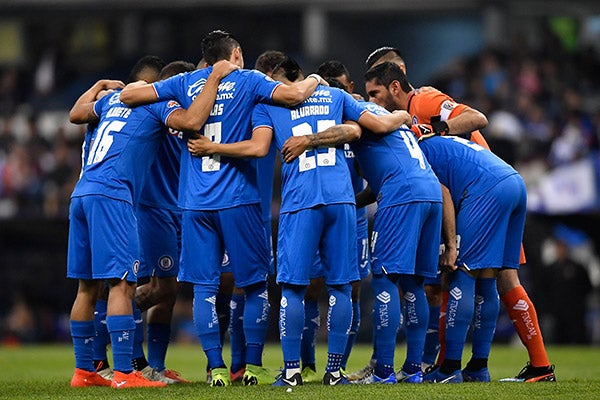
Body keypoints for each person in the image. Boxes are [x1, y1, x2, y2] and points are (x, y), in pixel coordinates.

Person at [119, 30, 327, 387]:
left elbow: (128, 94)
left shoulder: (185, 81)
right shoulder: (249, 81)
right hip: (238, 199)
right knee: (255, 285)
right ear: (236, 54)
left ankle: (215, 368)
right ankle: (251, 366)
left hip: (194, 202)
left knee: (204, 289)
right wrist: (315, 79)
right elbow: (293, 95)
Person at [186, 56, 411, 387]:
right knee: (340, 286)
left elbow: (260, 148)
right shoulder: (335, 96)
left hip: (300, 200)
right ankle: (334, 372)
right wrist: (403, 114)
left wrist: (211, 146)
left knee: (293, 287)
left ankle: (291, 371)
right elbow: (362, 128)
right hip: (341, 198)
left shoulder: (268, 105)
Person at [365, 47, 555, 383]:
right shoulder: (407, 129)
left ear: (396, 82)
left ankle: (448, 367)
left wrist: (436, 128)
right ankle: (525, 366)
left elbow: (477, 119)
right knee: (499, 277)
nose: (373, 102)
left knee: (458, 273)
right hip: (504, 179)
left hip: (478, 190)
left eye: (375, 92)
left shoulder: (422, 103)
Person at [67, 58, 236, 389]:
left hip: (82, 192)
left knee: (87, 286)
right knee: (122, 284)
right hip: (115, 195)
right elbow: (192, 120)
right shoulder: (156, 103)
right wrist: (215, 77)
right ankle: (125, 372)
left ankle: (84, 371)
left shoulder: (112, 102)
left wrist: (99, 85)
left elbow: (75, 114)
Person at [281, 90, 444, 384]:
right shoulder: (382, 113)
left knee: (384, 279)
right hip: (431, 191)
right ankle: (413, 369)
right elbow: (378, 176)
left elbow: (358, 130)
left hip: (401, 194)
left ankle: (382, 371)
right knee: (415, 283)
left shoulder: (354, 115)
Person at [132, 60, 197, 384]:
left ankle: (155, 365)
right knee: (158, 286)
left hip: (181, 208)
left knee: (169, 292)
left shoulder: (188, 114)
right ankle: (130, 353)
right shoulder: (158, 109)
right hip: (153, 206)